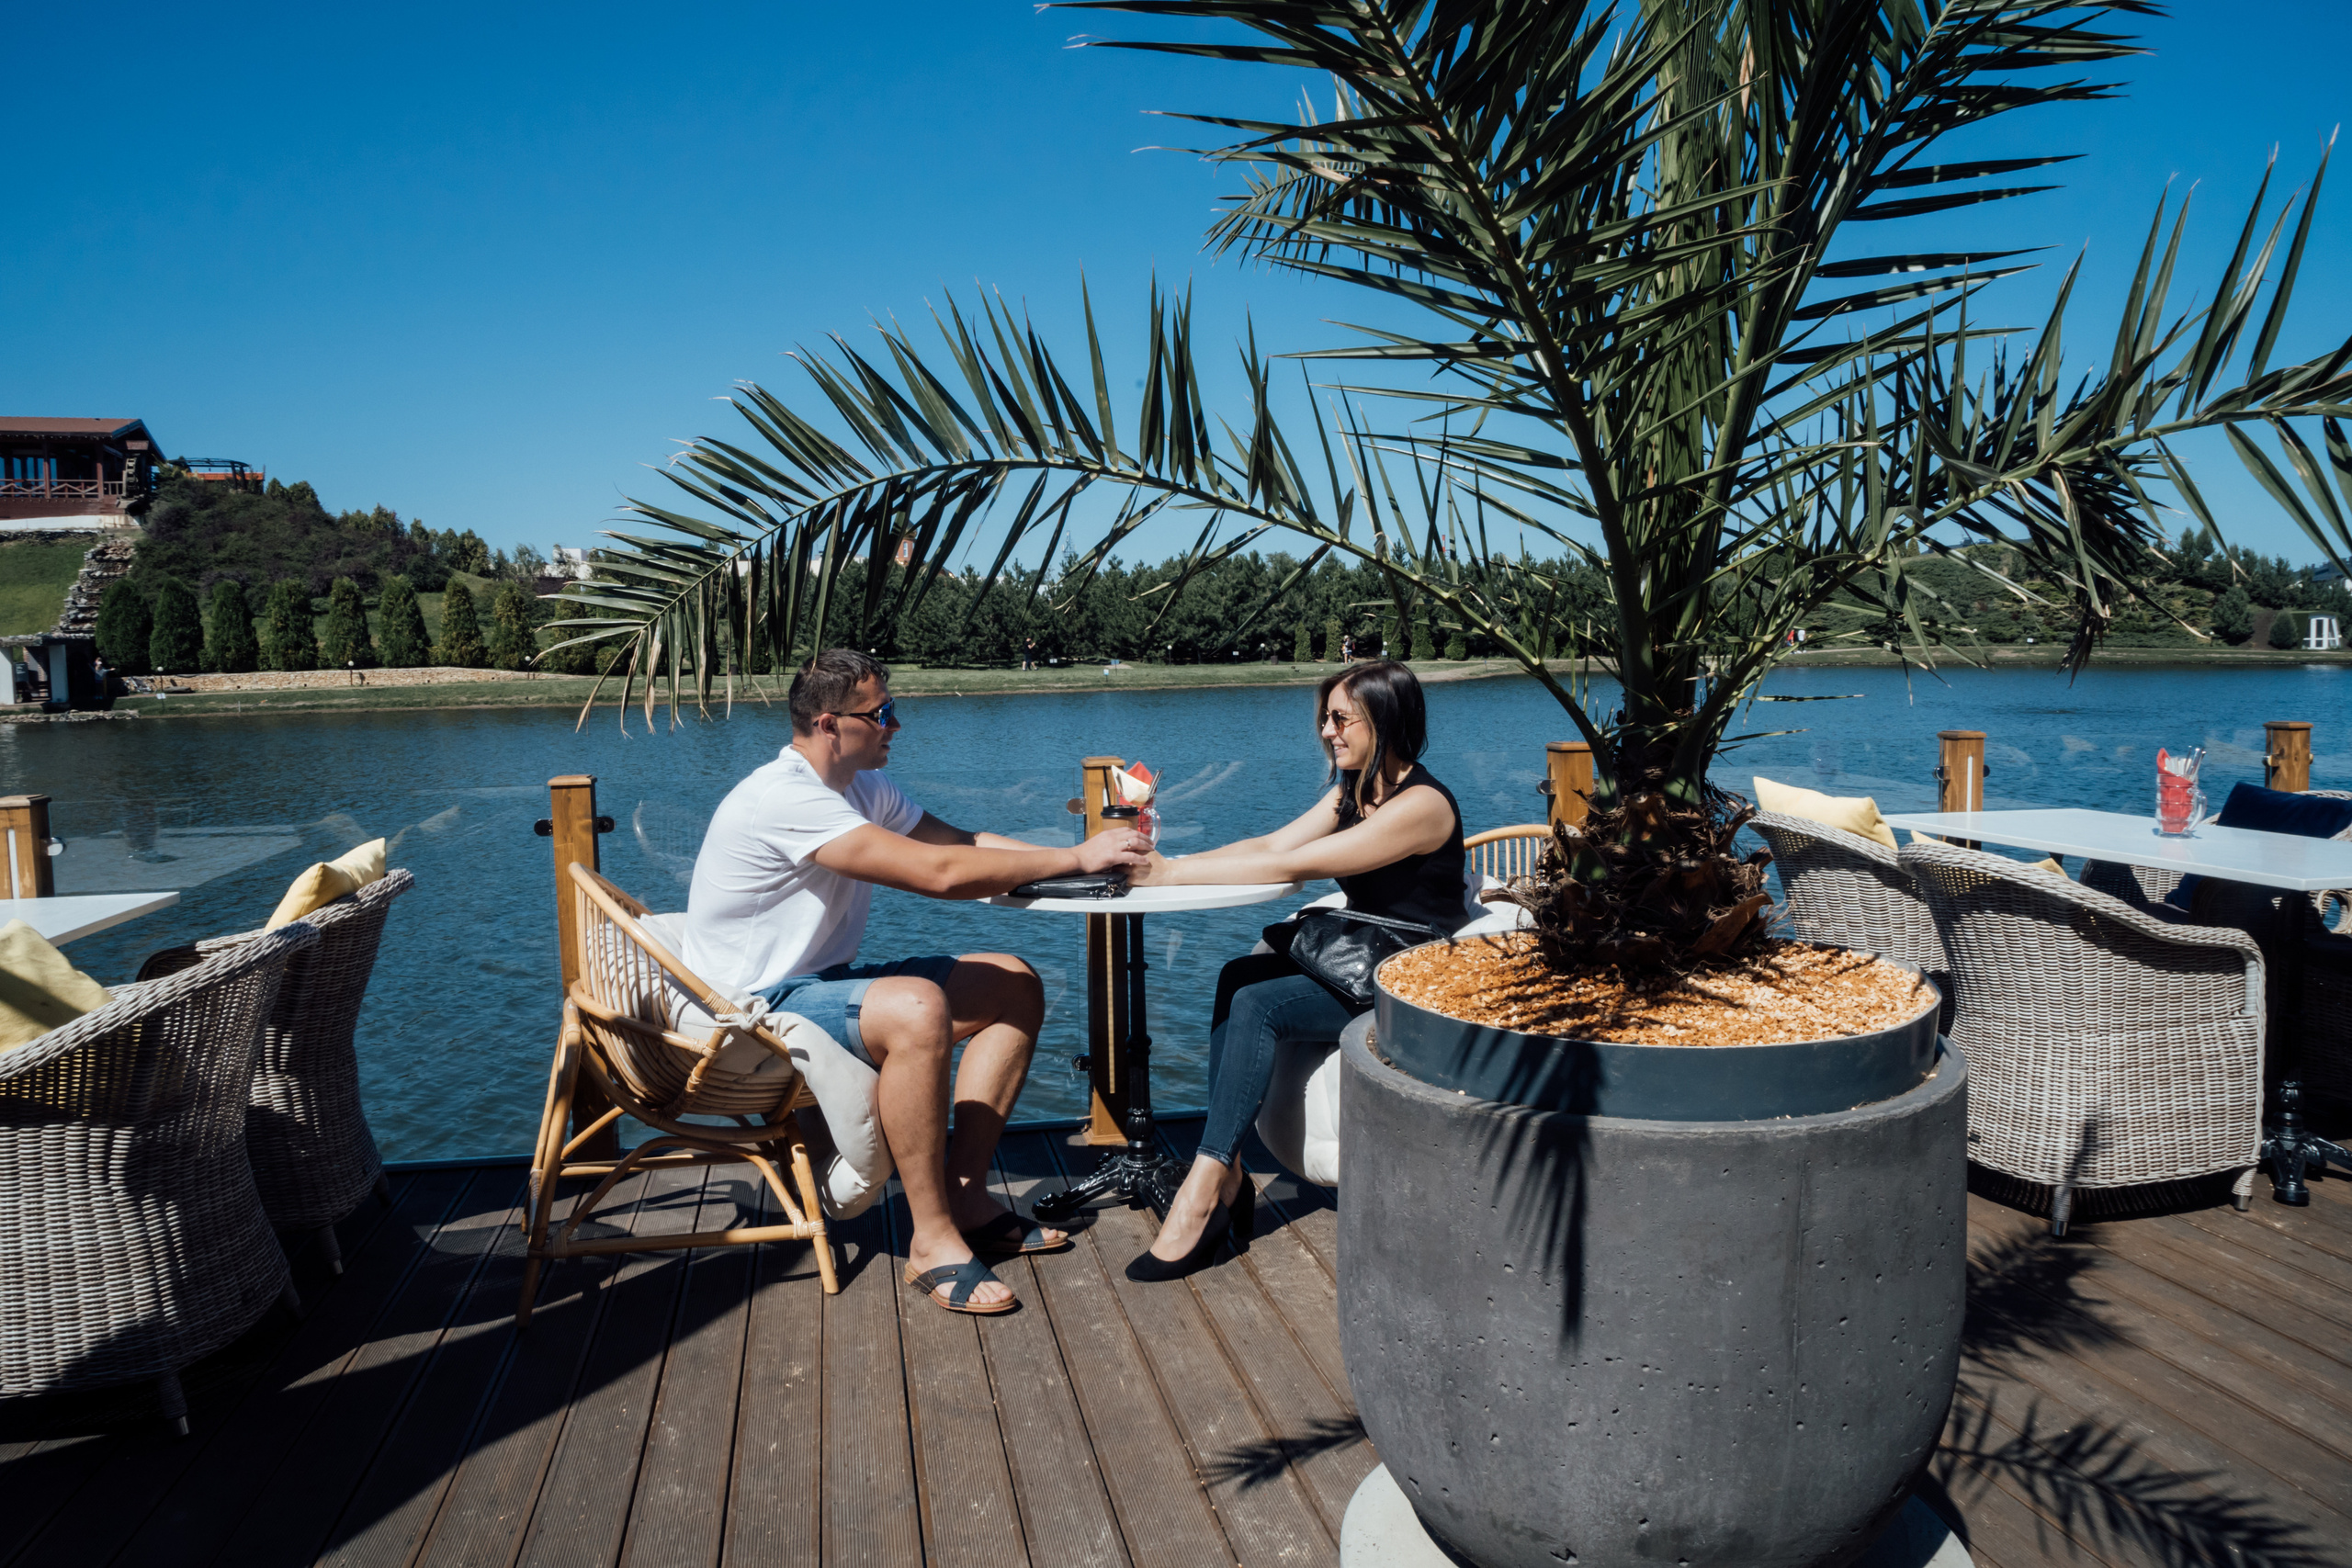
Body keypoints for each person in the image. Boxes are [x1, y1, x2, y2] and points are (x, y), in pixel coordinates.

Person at [681, 648, 1152, 1314]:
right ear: (829, 725)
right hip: (749, 1007)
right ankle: (929, 1240)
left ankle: (965, 1199)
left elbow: (959, 844)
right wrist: (1076, 855)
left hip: (815, 981)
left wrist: (1088, 862)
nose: (896, 725)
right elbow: (939, 876)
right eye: (882, 714)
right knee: (917, 1007)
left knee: (1014, 984)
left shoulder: (861, 787)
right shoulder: (786, 797)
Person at [1121, 660, 1471, 1280]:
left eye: (1340, 718)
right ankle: (1229, 1173)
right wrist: (1169, 863)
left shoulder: (1422, 804)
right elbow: (1271, 846)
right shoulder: (1353, 791)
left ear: (1384, 719)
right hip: (1368, 954)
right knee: (1238, 976)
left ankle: (1203, 1189)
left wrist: (1172, 874)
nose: (1326, 731)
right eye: (1324, 718)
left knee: (1258, 1004)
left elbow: (1298, 866)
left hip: (1409, 978)